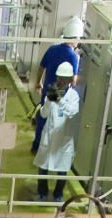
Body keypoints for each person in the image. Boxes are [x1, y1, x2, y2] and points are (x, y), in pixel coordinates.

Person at [31, 14, 82, 155]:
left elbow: (41, 66)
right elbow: (74, 80)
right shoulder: (73, 57)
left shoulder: (52, 49)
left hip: (48, 89)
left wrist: (38, 83)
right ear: (75, 39)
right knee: (57, 123)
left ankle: (36, 146)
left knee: (43, 118)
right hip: (61, 94)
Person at [35, 60, 79, 202]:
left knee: (63, 169)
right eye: (59, 78)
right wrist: (48, 101)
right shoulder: (52, 91)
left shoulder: (73, 96)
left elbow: (71, 112)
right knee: (43, 166)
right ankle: (42, 192)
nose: (60, 81)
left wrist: (59, 100)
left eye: (64, 79)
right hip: (49, 136)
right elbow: (44, 114)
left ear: (69, 80)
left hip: (64, 140)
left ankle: (58, 195)